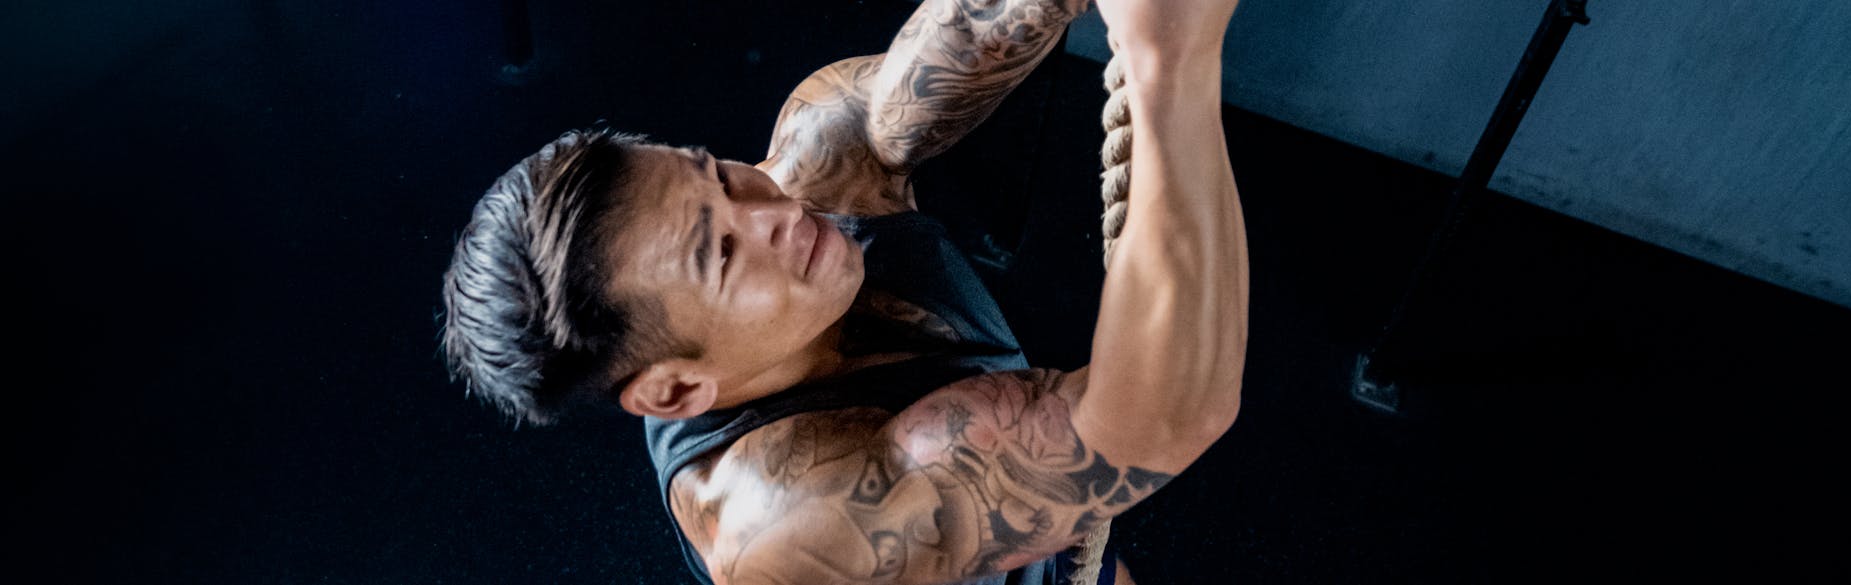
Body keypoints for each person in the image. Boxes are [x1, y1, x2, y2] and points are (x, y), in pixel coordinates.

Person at [439, 0, 1246, 583]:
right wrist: (1169, 61)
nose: (773, 210)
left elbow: (974, 25)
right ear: (679, 387)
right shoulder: (798, 521)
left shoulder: (810, 162)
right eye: (721, 252)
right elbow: (1159, 420)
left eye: (716, 172)